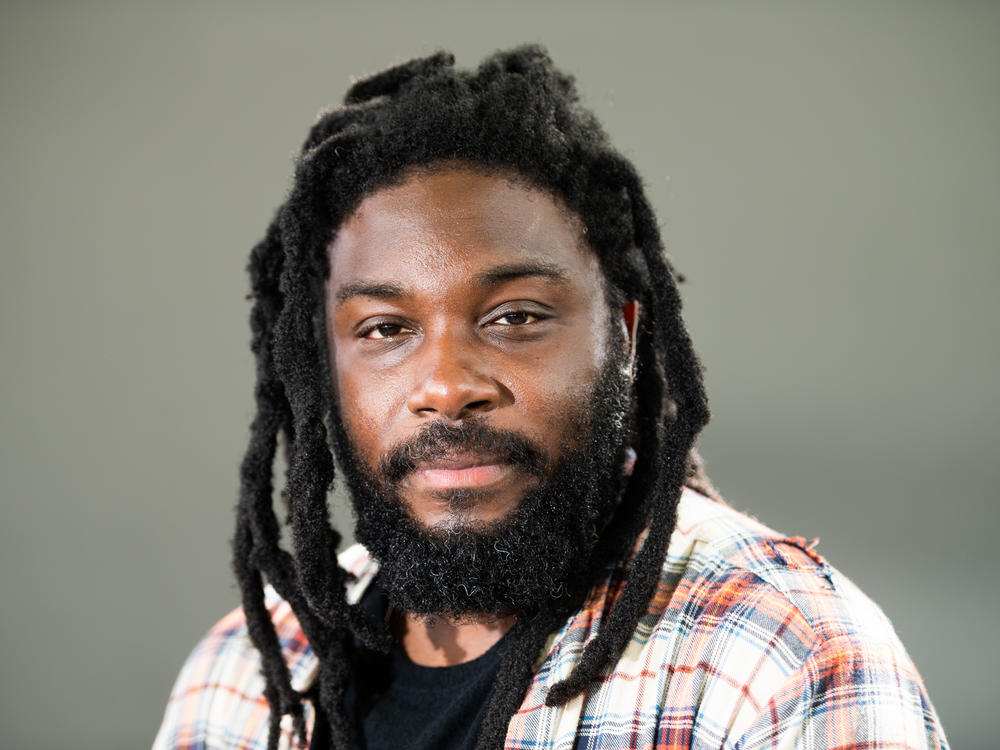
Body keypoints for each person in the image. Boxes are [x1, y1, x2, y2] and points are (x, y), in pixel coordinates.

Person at [153, 46, 948, 750]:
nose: (447, 388)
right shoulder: (245, 682)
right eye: (386, 329)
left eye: (515, 317)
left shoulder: (773, 657)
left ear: (626, 341)